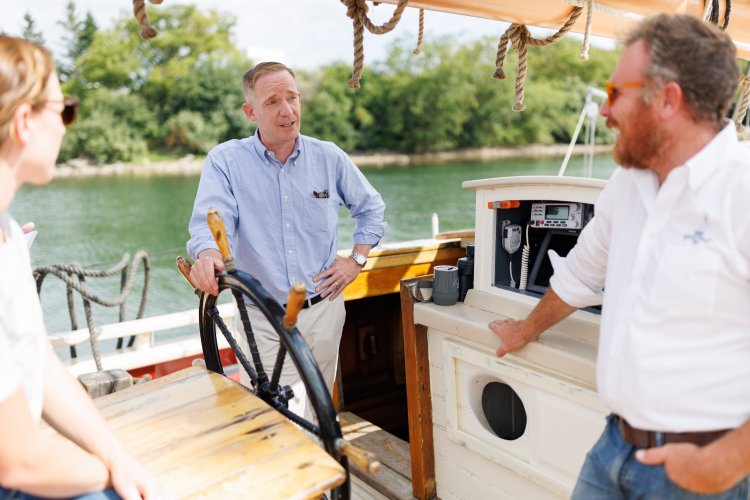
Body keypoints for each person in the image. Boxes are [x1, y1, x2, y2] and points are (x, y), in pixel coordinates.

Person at [489, 14, 750, 499]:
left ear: (668, 100)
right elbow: (580, 274)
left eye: (616, 94)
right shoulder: (628, 184)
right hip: (613, 445)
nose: (605, 112)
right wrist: (525, 330)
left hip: (704, 472)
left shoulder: (742, 190)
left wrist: (724, 464)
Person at [0, 36, 161, 499]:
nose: (69, 126)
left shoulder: (9, 233)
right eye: (64, 109)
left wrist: (116, 456)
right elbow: (20, 461)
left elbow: (40, 365)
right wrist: (114, 475)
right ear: (24, 121)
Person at [187, 61, 387, 417]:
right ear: (251, 112)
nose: (288, 110)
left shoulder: (328, 156)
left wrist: (356, 260)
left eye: (292, 98)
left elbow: (371, 209)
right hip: (263, 318)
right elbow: (210, 223)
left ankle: (323, 469)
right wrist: (206, 255)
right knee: (284, 417)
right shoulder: (225, 161)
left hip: (324, 310)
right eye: (273, 102)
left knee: (322, 411)